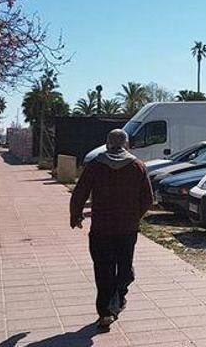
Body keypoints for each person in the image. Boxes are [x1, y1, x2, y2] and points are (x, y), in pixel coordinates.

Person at [70, 129, 153, 330]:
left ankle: (106, 311)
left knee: (103, 270)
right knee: (124, 268)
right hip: (127, 229)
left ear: (107, 143)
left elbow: (80, 193)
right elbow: (148, 199)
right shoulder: (137, 166)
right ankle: (115, 301)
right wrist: (135, 217)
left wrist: (76, 215)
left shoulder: (95, 165)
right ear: (126, 144)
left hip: (101, 229)